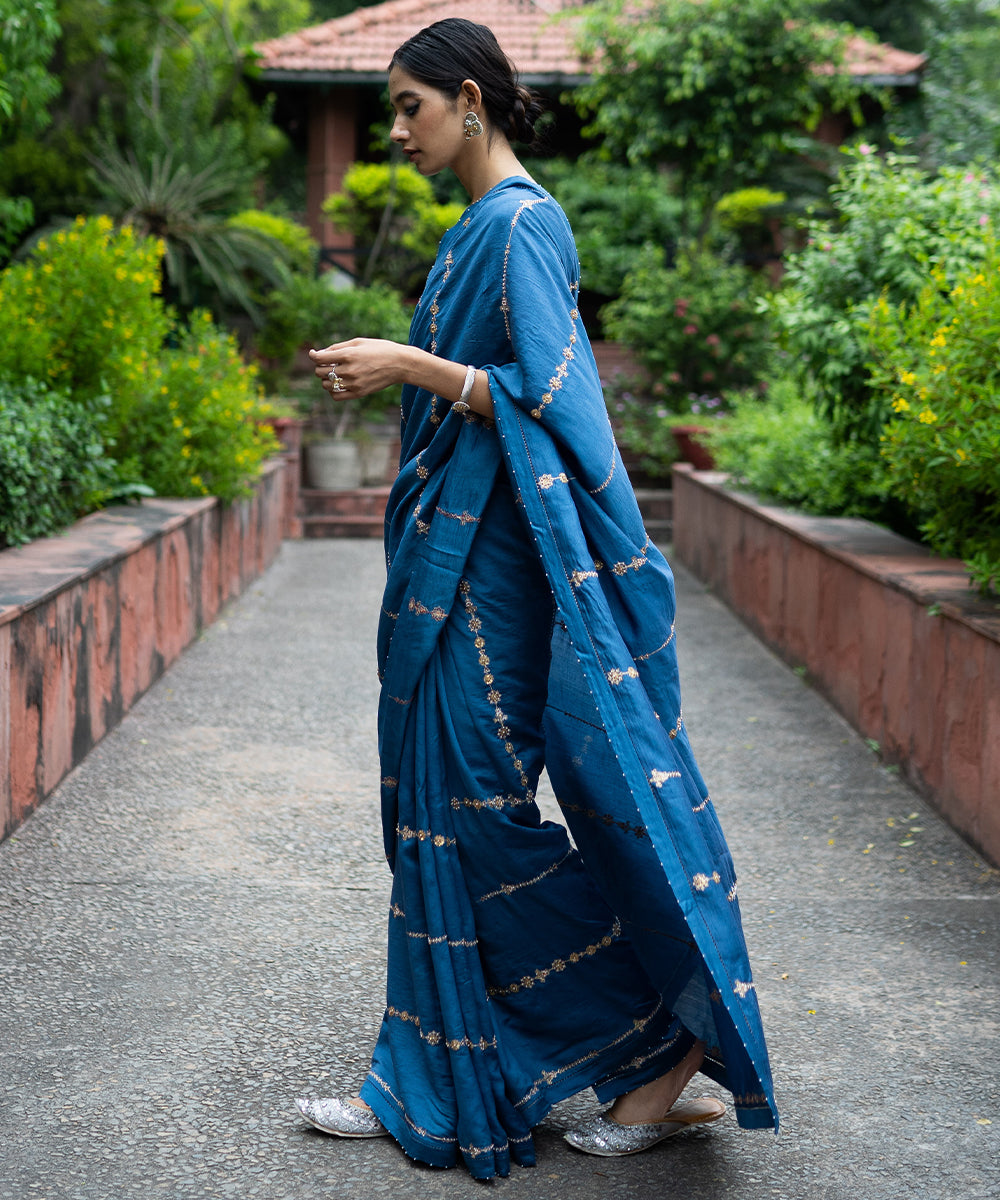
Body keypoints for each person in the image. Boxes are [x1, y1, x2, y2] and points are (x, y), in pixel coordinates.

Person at [296, 17, 777, 1180]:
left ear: (470, 100)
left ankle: (665, 1047)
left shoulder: (521, 225)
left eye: (409, 107)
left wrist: (407, 365)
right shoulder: (472, 227)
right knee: (431, 818)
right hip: (449, 568)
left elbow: (558, 410)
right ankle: (422, 1070)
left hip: (496, 575)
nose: (395, 131)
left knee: (475, 819)